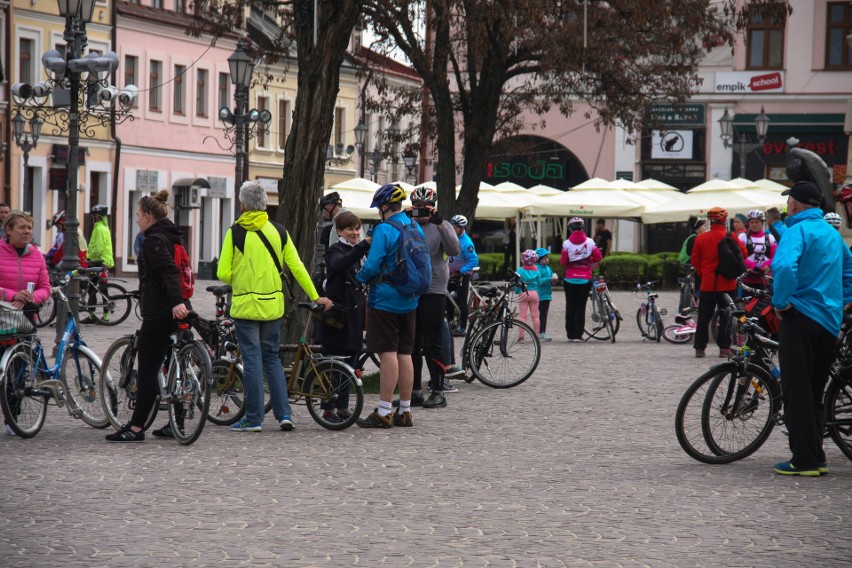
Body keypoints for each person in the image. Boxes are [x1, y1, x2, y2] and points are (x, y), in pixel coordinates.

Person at [217, 180, 332, 433]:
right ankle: (285, 415)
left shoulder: (235, 232)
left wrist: (245, 274)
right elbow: (297, 266)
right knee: (272, 359)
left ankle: (254, 418)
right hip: (272, 306)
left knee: (252, 360)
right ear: (264, 204)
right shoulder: (279, 231)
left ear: (243, 204)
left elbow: (223, 272)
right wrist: (315, 296)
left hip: (246, 306)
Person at [771, 181, 852, 476]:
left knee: (796, 390)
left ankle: (803, 460)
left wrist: (781, 302)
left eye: (789, 201)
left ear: (794, 204)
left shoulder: (796, 231)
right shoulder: (832, 234)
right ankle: (817, 456)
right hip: (829, 322)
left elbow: (783, 268)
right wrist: (844, 301)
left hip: (801, 316)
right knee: (815, 390)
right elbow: (849, 268)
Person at [104, 191, 191, 442]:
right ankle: (177, 423)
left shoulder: (153, 240)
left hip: (162, 310)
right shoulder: (174, 236)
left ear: (147, 216)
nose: (137, 220)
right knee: (177, 364)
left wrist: (174, 302)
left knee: (148, 370)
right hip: (181, 305)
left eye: (138, 216)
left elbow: (167, 271)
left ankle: (136, 428)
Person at [356, 183, 425, 428]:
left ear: (385, 207)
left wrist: (359, 278)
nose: (378, 213)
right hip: (410, 299)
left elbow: (373, 264)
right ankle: (404, 410)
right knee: (405, 353)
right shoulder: (415, 226)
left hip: (385, 299)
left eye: (379, 208)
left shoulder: (384, 229)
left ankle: (384, 410)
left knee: (387, 353)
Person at [407, 186, 460, 410]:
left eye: (425, 207)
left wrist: (439, 223)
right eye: (417, 207)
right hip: (411, 290)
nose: (421, 211)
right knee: (412, 343)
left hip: (434, 290)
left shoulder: (443, 226)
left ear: (434, 206)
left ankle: (438, 390)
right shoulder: (408, 225)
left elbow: (454, 250)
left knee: (432, 342)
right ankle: (415, 390)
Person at [317, 210, 371, 423]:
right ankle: (328, 407)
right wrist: (363, 245)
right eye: (350, 229)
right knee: (333, 363)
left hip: (354, 315)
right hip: (336, 318)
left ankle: (344, 407)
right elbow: (341, 264)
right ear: (339, 231)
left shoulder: (360, 253)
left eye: (357, 228)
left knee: (351, 362)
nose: (355, 232)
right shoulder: (335, 250)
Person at [1, 210, 51, 436]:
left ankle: (13, 416)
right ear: (8, 230)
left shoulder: (36, 256)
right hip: (2, 314)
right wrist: (12, 295)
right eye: (21, 227)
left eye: (29, 227)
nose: (27, 231)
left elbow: (45, 287)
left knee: (20, 369)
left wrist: (33, 297)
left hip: (26, 316)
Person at [690, 207, 748, 359]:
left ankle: (700, 348)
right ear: (724, 221)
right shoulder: (731, 236)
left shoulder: (701, 238)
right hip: (728, 285)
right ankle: (724, 348)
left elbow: (695, 259)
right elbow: (744, 254)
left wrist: (704, 273)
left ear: (710, 220)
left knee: (704, 317)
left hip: (708, 284)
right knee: (726, 317)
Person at [561, 217, 602, 342]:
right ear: (582, 227)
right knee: (580, 307)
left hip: (569, 279)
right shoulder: (590, 242)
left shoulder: (566, 243)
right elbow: (598, 257)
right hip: (585, 279)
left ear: (570, 228)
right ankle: (578, 335)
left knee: (570, 307)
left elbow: (563, 262)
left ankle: (570, 335)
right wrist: (589, 262)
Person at [447, 214, 478, 335]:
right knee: (448, 298)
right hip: (450, 274)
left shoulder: (467, 243)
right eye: (452, 227)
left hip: (462, 275)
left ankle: (463, 328)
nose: (452, 230)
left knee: (462, 301)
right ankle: (450, 323)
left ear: (462, 228)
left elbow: (474, 261)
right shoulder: (450, 238)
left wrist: (461, 271)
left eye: (455, 228)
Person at [83, 204, 114, 323]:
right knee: (99, 288)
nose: (92, 217)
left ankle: (95, 316)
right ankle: (98, 316)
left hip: (100, 262)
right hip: (103, 261)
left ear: (98, 216)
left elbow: (98, 248)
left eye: (94, 215)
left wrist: (89, 258)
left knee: (95, 289)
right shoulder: (101, 227)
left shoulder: (100, 229)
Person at [738, 209, 776, 289]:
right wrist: (755, 266)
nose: (754, 225)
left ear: (762, 223)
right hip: (748, 279)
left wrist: (766, 264)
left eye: (757, 222)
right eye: (752, 222)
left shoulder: (770, 237)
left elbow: (775, 256)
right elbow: (740, 256)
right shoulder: (742, 237)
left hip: (765, 279)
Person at [313, 192, 343, 293]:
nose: (324, 215)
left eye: (323, 211)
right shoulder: (345, 218)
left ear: (329, 207)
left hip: (340, 275)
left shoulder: (341, 221)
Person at [516, 249, 541, 342]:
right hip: (534, 293)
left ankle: (521, 337)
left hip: (523, 292)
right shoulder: (537, 270)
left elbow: (517, 282)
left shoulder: (520, 270)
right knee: (535, 316)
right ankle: (537, 336)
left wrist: (516, 291)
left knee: (522, 316)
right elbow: (539, 282)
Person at [535, 247, 558, 342]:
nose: (546, 259)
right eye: (544, 258)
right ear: (539, 259)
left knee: (544, 314)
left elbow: (551, 279)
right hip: (540, 295)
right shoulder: (536, 269)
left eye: (547, 257)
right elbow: (539, 281)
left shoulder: (548, 268)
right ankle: (540, 333)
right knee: (541, 315)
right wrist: (549, 279)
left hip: (547, 295)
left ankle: (542, 332)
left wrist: (554, 280)